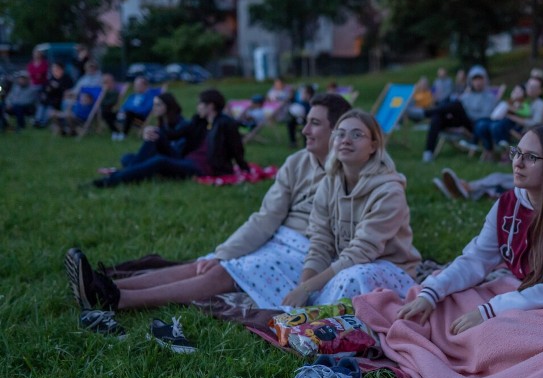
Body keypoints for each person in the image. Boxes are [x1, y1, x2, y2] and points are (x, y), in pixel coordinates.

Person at [65, 94, 353, 316]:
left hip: (311, 255)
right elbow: (266, 218)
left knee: (221, 273)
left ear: (338, 131)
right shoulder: (297, 162)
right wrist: (222, 252)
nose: (304, 130)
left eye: (315, 123)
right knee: (205, 264)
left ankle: (120, 299)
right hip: (278, 240)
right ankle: (102, 284)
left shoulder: (354, 172)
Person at [395, 123, 543, 333]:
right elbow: (477, 258)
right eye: (516, 152)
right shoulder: (507, 204)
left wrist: (489, 312)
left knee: (503, 332)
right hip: (516, 289)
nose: (518, 163)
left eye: (531, 157)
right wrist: (432, 292)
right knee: (437, 306)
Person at [281, 109, 421, 307]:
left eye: (357, 135)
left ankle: (321, 320)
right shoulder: (329, 184)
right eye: (340, 133)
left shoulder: (389, 192)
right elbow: (320, 242)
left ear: (373, 146)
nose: (346, 140)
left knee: (354, 277)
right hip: (344, 264)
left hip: (390, 270)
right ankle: (308, 313)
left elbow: (361, 253)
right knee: (295, 267)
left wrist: (307, 289)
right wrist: (302, 286)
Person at [93, 89, 247, 188]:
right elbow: (175, 134)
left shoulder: (226, 124)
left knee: (159, 161)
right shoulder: (199, 121)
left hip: (202, 168)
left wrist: (244, 168)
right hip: (185, 159)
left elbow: (237, 148)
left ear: (210, 106)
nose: (197, 107)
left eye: (200, 104)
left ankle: (112, 180)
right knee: (144, 145)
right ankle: (127, 172)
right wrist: (150, 131)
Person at [421, 65, 497, 163]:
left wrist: (466, 112)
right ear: (471, 81)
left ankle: (426, 113)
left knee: (457, 104)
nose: (477, 82)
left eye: (480, 79)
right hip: (462, 121)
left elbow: (487, 115)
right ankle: (428, 152)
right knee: (437, 117)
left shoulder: (490, 97)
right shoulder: (466, 96)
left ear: (485, 80)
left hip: (476, 126)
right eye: (475, 79)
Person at [470, 76, 543, 162]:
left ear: (540, 91)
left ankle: (504, 152)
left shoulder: (540, 104)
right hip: (508, 124)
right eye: (529, 85)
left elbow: (534, 123)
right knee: (481, 124)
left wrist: (512, 117)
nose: (530, 89)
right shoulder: (525, 101)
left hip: (520, 130)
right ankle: (489, 149)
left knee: (495, 126)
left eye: (534, 87)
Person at [113, 92, 188, 170]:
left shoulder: (181, 124)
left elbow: (177, 148)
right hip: (159, 155)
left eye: (158, 105)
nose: (154, 108)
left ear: (168, 106)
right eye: (154, 104)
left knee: (154, 136)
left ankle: (130, 170)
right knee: (126, 157)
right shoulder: (163, 123)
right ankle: (135, 168)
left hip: (174, 158)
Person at [36, 63, 74, 127]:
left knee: (51, 104)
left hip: (60, 99)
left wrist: (57, 87)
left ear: (61, 69)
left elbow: (67, 91)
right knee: (42, 103)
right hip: (49, 97)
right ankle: (38, 120)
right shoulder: (51, 78)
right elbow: (45, 88)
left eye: (56, 69)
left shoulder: (66, 78)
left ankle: (43, 122)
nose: (54, 70)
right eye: (53, 69)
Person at [99, 74, 123, 140]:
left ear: (112, 82)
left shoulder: (115, 91)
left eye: (106, 82)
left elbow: (112, 101)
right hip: (105, 109)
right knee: (105, 114)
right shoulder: (103, 91)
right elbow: (100, 102)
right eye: (104, 82)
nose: (105, 84)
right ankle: (115, 131)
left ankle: (115, 131)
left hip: (113, 109)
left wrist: (104, 96)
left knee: (107, 114)